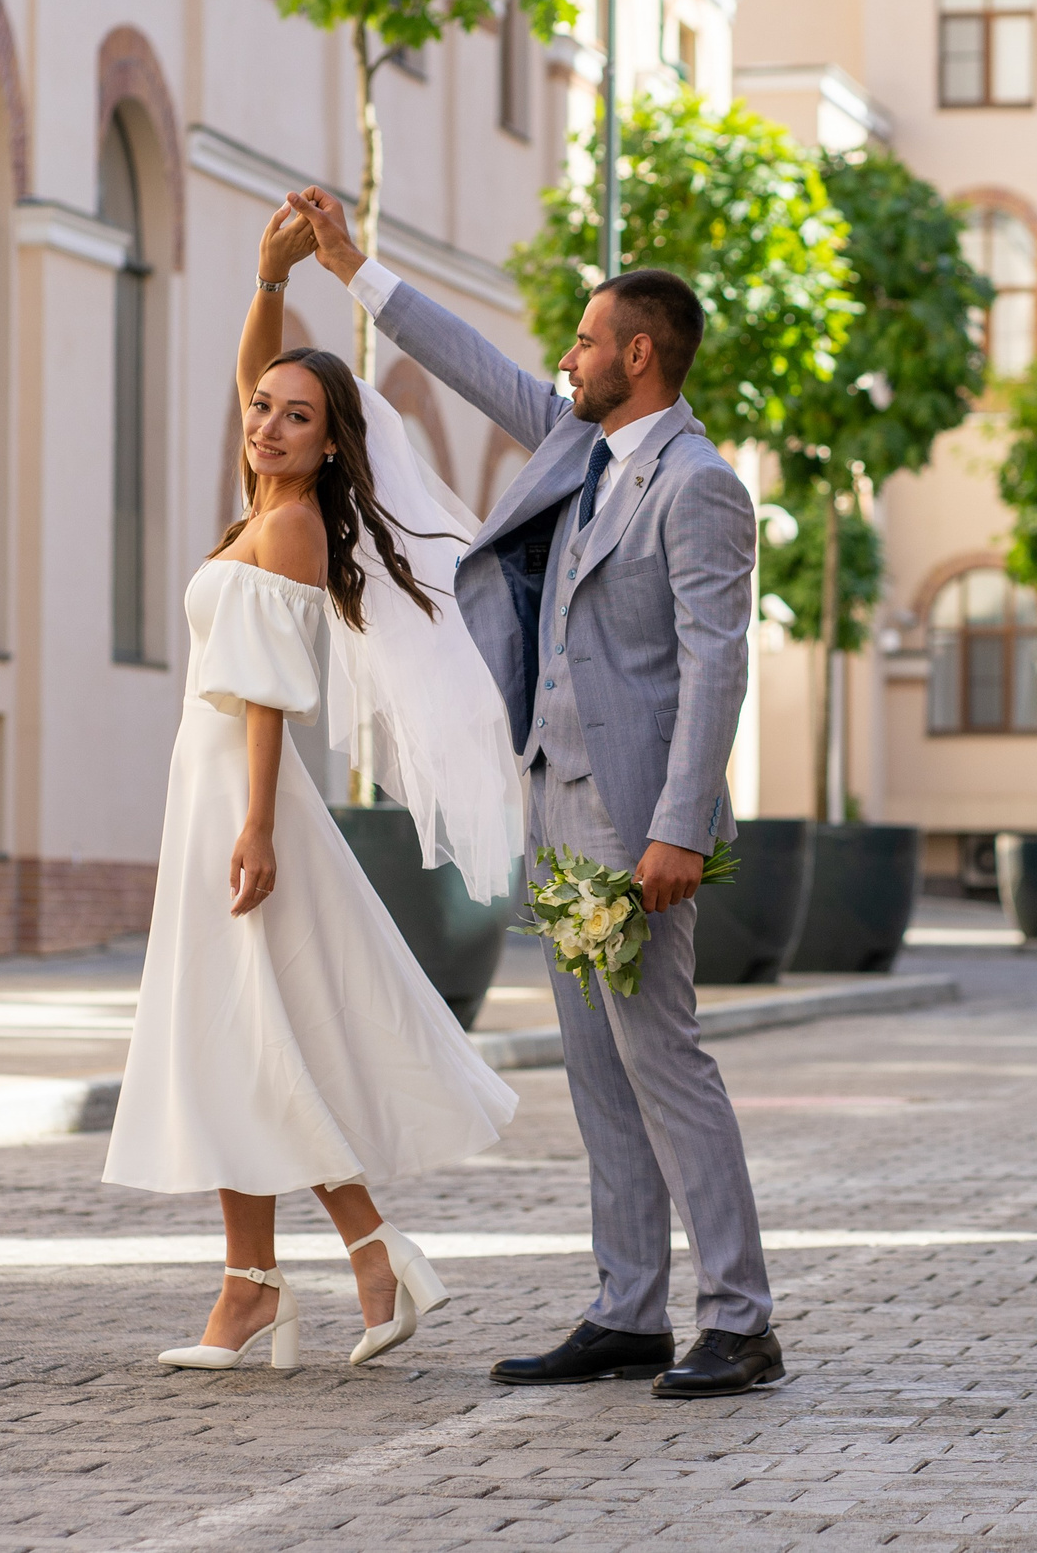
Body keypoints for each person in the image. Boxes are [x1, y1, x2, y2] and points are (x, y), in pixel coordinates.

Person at [285, 185, 783, 1399]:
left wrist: (678, 826)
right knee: (596, 1066)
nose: (563, 357)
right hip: (559, 798)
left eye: (582, 338)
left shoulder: (699, 483)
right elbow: (478, 369)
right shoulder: (582, 445)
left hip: (639, 820)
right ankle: (628, 1308)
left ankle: (740, 1317)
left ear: (638, 354)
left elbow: (719, 663)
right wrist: (355, 270)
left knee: (663, 1058)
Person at [101, 206, 523, 1372]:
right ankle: (286, 1279)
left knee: (254, 1040)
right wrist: (266, 280)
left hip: (243, 799)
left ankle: (344, 1263)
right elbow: (255, 371)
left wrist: (252, 826)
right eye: (264, 412)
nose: (270, 424)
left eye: (298, 418)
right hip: (212, 793)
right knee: (235, 1040)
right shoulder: (261, 501)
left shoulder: (288, 533)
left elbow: (269, 693)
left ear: (333, 444)